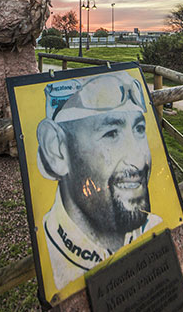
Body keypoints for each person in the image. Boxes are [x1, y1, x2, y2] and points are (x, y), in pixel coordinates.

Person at [36, 72, 162, 290]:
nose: (138, 160)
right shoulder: (51, 255)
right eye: (111, 133)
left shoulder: (156, 227)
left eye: (139, 129)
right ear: (56, 150)